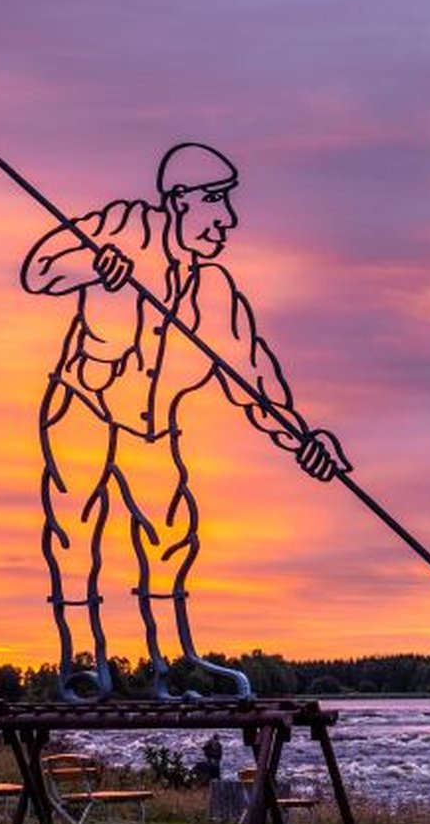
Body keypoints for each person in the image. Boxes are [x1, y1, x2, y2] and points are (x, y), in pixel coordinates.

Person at [20, 142, 346, 701]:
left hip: (149, 427)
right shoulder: (122, 226)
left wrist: (303, 440)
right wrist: (93, 264)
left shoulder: (213, 294)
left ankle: (170, 663)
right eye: (216, 202)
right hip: (86, 406)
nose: (229, 219)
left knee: (171, 534)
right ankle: (80, 665)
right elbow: (40, 270)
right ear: (179, 202)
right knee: (76, 529)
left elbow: (255, 381)